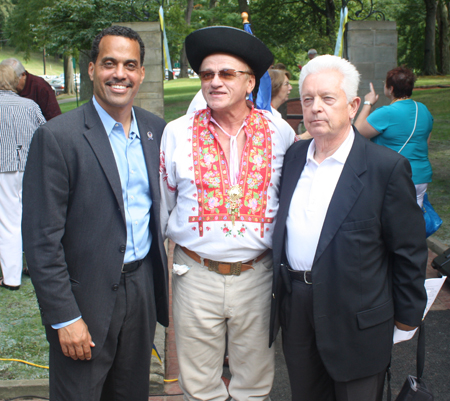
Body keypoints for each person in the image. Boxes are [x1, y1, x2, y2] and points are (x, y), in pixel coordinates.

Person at [22, 25, 168, 401]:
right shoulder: (58, 137)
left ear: (141, 74)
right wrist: (65, 317)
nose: (120, 74)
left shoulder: (156, 130)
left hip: (141, 293)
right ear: (91, 70)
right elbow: (41, 240)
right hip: (84, 302)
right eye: (110, 63)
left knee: (131, 393)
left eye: (130, 65)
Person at [269, 55, 428, 401]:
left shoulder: (385, 168)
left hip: (356, 318)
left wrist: (407, 316)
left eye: (327, 98)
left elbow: (409, 248)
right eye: (308, 99)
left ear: (353, 105)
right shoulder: (294, 158)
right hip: (297, 308)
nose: (315, 108)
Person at [160, 26, 295, 401]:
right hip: (195, 275)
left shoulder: (279, 132)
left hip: (257, 276)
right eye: (207, 74)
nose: (214, 82)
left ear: (250, 82)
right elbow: (164, 202)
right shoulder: (177, 132)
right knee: (199, 385)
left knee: (253, 384)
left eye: (227, 74)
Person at [354, 66, 433, 207]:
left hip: (396, 176)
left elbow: (357, 132)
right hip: (421, 177)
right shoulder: (424, 109)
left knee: (392, 223)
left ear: (390, 89)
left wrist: (368, 102)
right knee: (413, 220)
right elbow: (425, 143)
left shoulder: (387, 112)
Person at [0, 65, 45, 291]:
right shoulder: (29, 105)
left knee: (8, 221)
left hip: (4, 167)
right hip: (30, 166)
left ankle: (11, 278)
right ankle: (35, 268)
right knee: (30, 219)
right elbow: (45, 132)